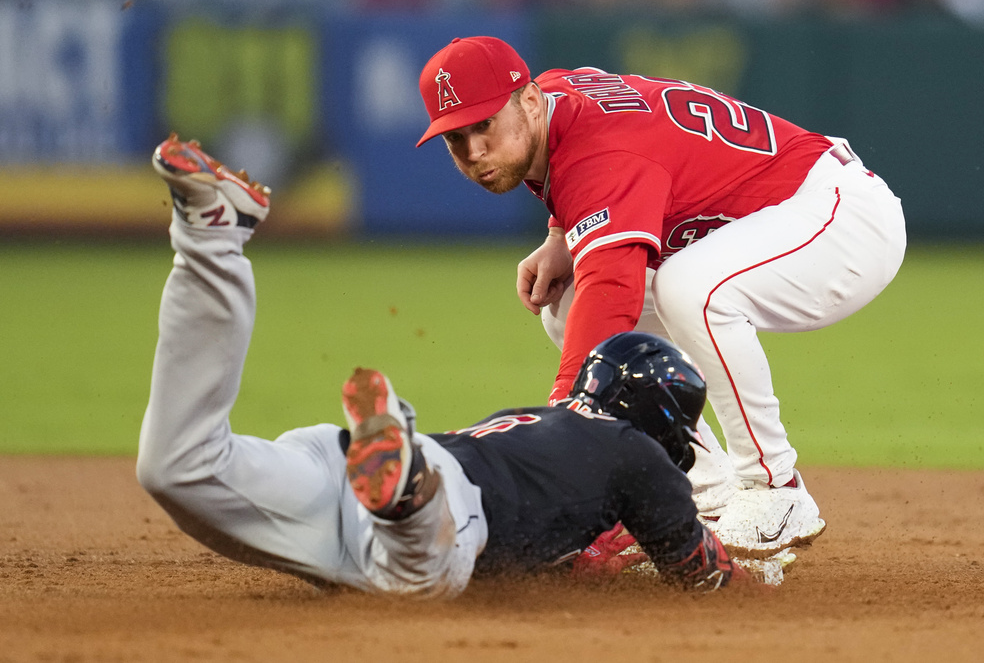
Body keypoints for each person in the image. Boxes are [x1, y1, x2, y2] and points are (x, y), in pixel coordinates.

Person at [138, 134, 790, 599]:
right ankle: (404, 487)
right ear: (660, 421)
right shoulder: (632, 452)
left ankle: (211, 238)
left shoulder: (537, 425)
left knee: (180, 468)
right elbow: (702, 575)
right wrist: (763, 577)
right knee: (418, 575)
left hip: (352, 477)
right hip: (439, 514)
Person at [415, 36, 907, 559]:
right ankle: (708, 498)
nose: (473, 151)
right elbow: (591, 157)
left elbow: (613, 295)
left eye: (484, 125)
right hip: (783, 215)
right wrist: (562, 236)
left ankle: (774, 490)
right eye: (455, 138)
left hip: (840, 216)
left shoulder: (599, 154)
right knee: (565, 304)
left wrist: (566, 427)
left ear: (529, 102)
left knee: (691, 287)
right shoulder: (552, 99)